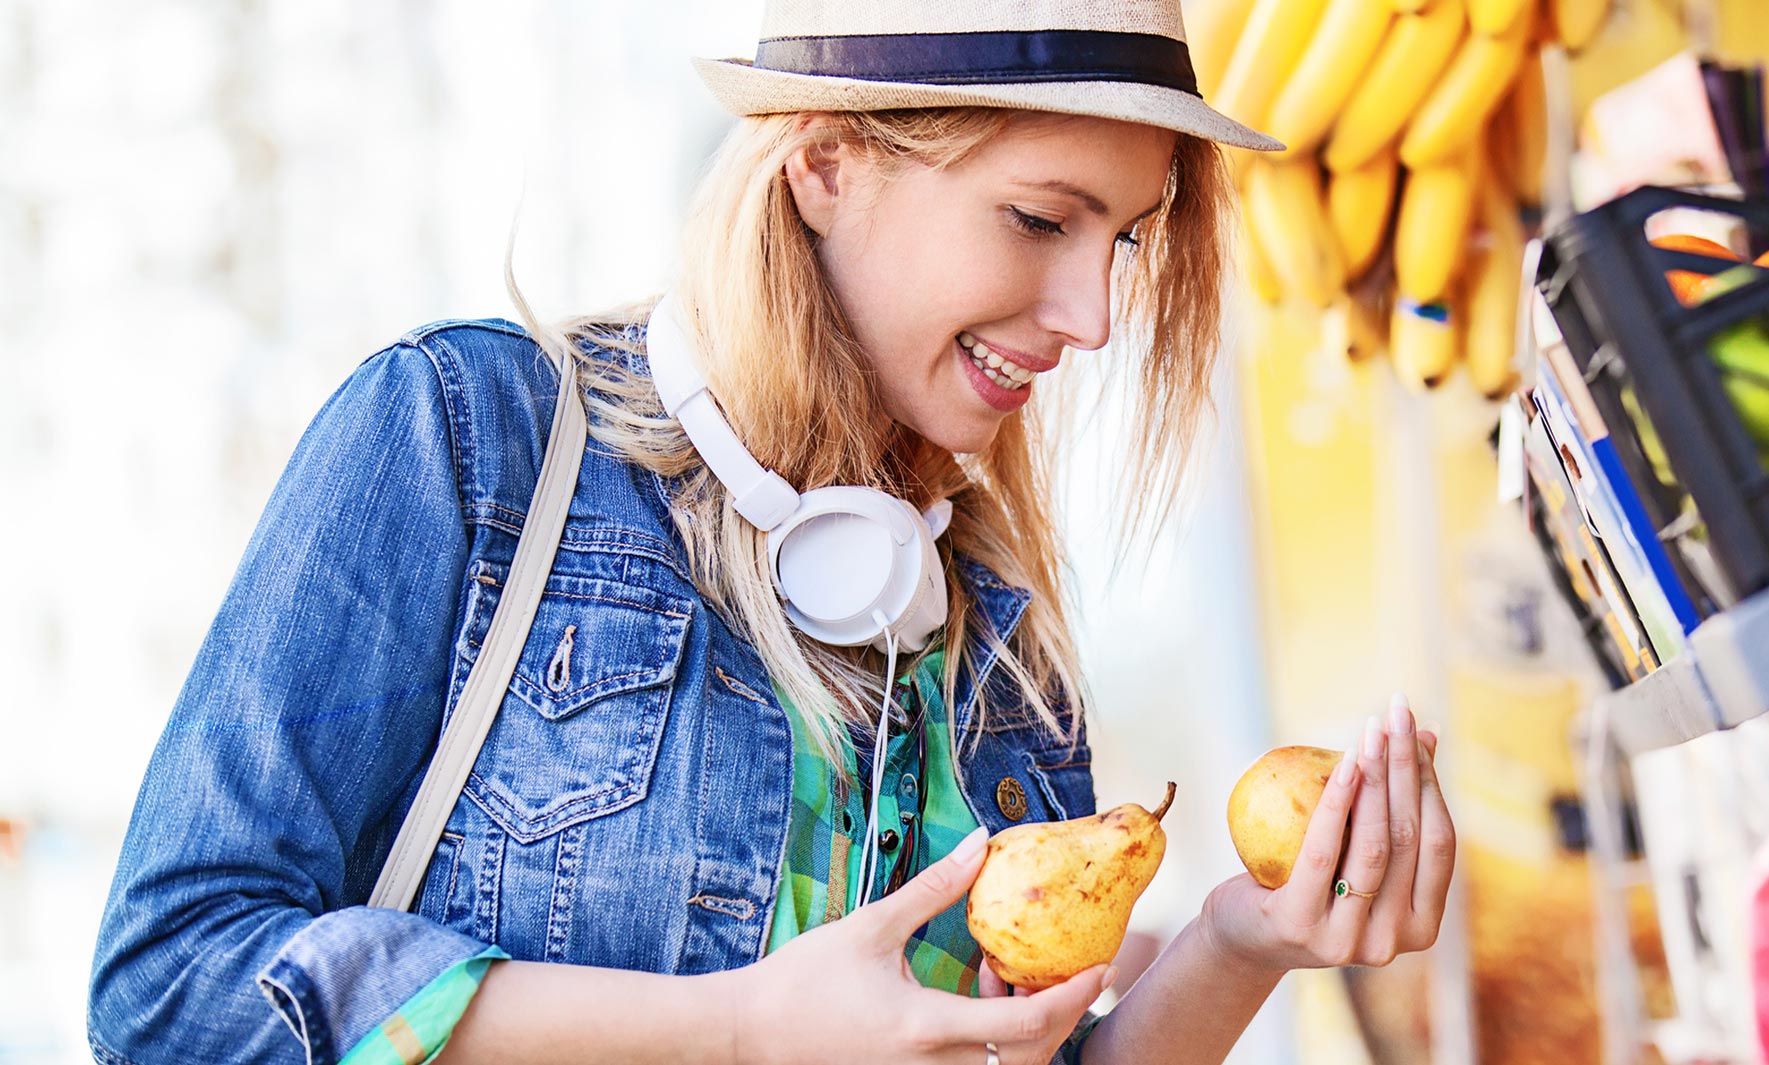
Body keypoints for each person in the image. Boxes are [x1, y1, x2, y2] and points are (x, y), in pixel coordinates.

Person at [86, 1, 1457, 1062]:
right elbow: (172, 986)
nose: (1096, 317)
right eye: (1042, 218)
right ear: (823, 164)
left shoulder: (997, 633)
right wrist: (737, 1025)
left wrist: (1243, 941)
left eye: (1127, 242)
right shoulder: (466, 441)